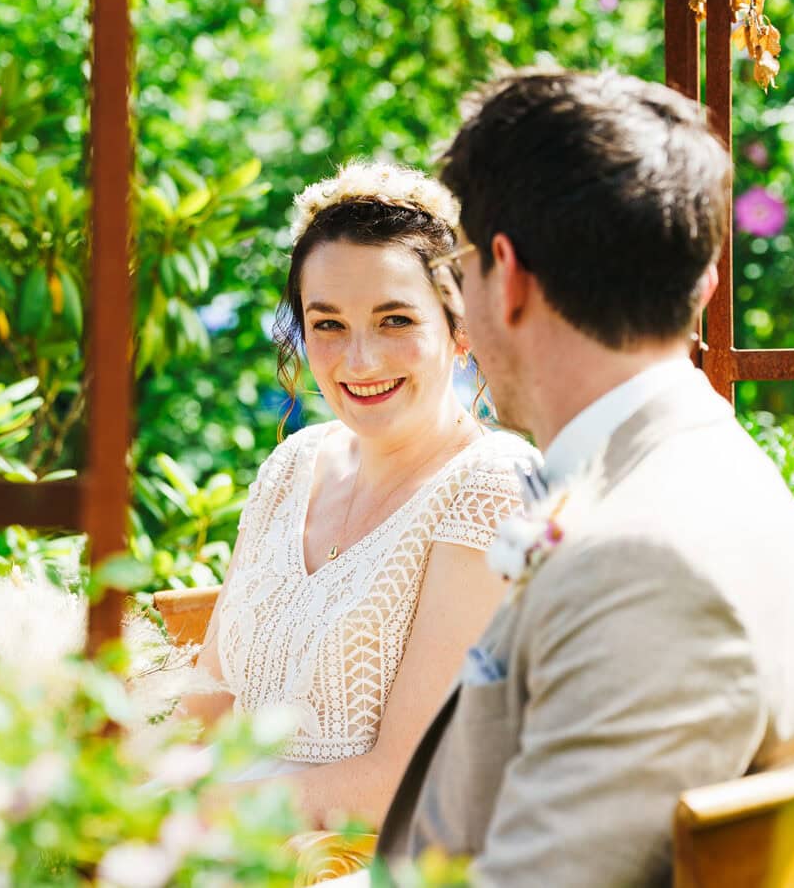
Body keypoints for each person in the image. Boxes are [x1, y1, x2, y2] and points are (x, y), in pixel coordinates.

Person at [344, 70, 794, 886]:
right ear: (705, 283)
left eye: (462, 269)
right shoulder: (692, 470)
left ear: (508, 277)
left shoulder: (645, 557)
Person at [175, 162, 539, 836]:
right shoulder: (292, 465)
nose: (359, 360)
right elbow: (207, 704)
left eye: (394, 318)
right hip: (226, 851)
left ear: (462, 331)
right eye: (329, 324)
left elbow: (405, 778)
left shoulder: (495, 486)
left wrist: (193, 814)